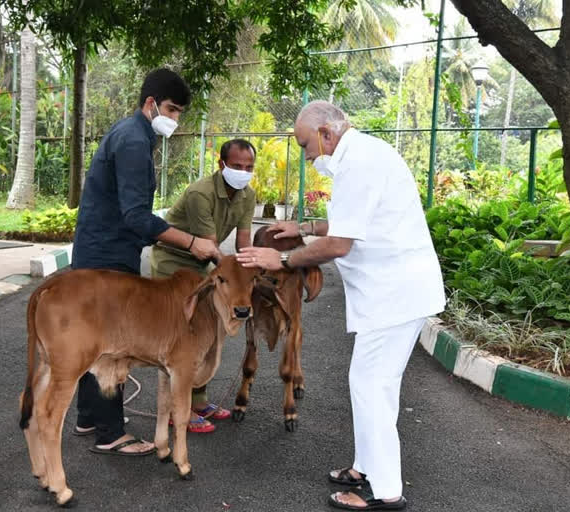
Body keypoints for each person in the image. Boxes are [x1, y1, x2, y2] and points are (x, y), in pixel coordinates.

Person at [236, 100, 445, 511]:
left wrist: (278, 260)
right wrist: (304, 227)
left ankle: (386, 492)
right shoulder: (363, 155)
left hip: (395, 296)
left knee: (373, 388)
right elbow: (351, 222)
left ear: (327, 134)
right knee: (367, 384)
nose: (306, 155)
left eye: (305, 145)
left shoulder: (358, 164)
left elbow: (340, 244)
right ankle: (365, 467)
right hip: (390, 295)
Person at [71, 68, 220, 456]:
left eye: (180, 113)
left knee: (94, 337)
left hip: (99, 250)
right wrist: (193, 244)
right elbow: (136, 216)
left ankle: (89, 416)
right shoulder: (134, 141)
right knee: (113, 342)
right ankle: (110, 433)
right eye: (171, 109)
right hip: (107, 256)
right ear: (150, 103)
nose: (175, 119)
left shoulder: (134, 134)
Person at [150, 138, 257, 433]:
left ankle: (198, 399)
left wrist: (250, 277)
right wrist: (234, 283)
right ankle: (175, 407)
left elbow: (243, 245)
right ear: (222, 165)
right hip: (175, 261)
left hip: (208, 265)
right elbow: (210, 248)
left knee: (209, 332)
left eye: (249, 167)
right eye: (237, 166)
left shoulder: (248, 196)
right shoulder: (201, 193)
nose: (243, 171)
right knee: (183, 336)